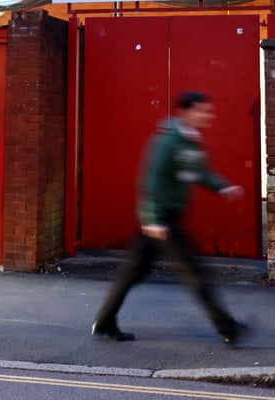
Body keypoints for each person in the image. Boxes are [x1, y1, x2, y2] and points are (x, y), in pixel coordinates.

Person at [91, 91, 245, 346]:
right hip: (160, 219)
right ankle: (228, 328)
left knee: (133, 272)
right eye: (202, 110)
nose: (209, 115)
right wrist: (152, 219)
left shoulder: (191, 142)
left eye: (209, 111)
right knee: (195, 272)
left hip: (165, 218)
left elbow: (200, 173)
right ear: (186, 112)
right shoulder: (166, 143)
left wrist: (222, 187)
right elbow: (150, 181)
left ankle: (105, 322)